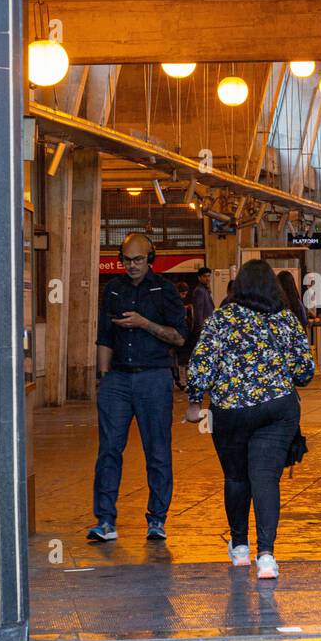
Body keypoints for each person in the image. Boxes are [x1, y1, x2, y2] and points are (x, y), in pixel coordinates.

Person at [185, 260, 314, 580]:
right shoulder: (285, 320)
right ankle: (267, 556)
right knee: (265, 479)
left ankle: (240, 548)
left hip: (230, 412)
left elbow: (201, 364)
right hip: (276, 411)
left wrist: (194, 401)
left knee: (236, 477)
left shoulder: (221, 320)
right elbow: (305, 372)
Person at [89, 232, 188, 543]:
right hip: (117, 378)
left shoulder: (165, 290)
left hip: (154, 377)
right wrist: (103, 379)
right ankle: (105, 520)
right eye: (126, 260)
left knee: (157, 451)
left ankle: (157, 519)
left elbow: (179, 337)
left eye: (138, 260)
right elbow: (104, 335)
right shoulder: (114, 290)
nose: (131, 265)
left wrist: (145, 323)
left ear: (150, 259)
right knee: (109, 450)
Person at [191, 265, 215, 343]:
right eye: (205, 276)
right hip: (203, 328)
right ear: (199, 278)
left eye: (209, 276)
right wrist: (201, 330)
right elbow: (198, 312)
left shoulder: (205, 289)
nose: (207, 279)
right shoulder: (199, 291)